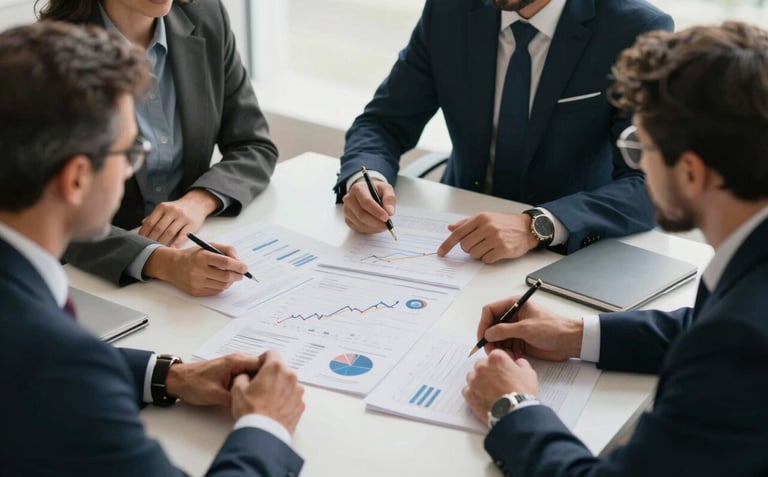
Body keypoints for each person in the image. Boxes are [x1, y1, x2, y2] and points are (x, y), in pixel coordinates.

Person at [463, 21, 768, 476]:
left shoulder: (739, 342)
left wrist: (511, 407)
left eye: (640, 147)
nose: (637, 165)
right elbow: (706, 327)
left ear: (690, 173)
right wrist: (575, 334)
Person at [0, 22, 304, 475]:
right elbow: (52, 368)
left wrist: (169, 376)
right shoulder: (56, 363)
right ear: (77, 178)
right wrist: (266, 425)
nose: (131, 169)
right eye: (130, 151)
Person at [335, 0, 673, 264]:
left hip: (568, 252)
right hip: (456, 240)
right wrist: (366, 178)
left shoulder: (635, 29)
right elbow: (383, 122)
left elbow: (652, 184)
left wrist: (536, 226)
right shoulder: (449, 10)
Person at [36, 0, 278, 297]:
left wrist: (199, 201)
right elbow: (49, 211)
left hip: (193, 248)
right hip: (95, 279)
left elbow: (253, 144)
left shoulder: (206, 16)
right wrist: (165, 263)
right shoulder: (49, 57)